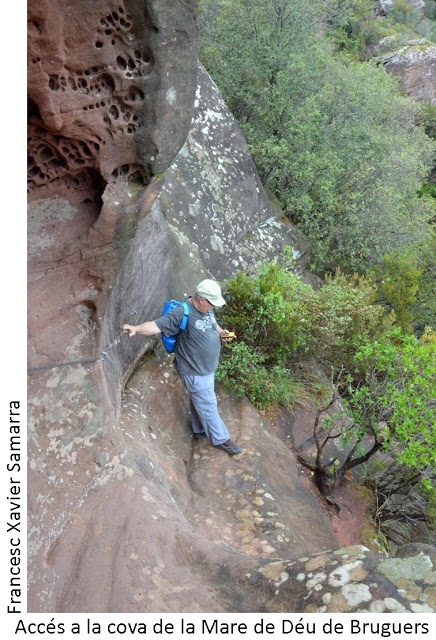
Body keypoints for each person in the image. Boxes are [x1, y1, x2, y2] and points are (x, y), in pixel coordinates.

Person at [122, 279, 242, 455]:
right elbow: (155, 326)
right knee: (208, 403)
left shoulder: (206, 309)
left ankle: (199, 429)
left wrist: (221, 333)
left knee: (199, 399)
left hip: (205, 368)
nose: (214, 307)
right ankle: (222, 439)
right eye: (212, 304)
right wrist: (135, 329)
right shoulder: (181, 313)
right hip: (194, 370)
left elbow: (213, 323)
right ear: (202, 300)